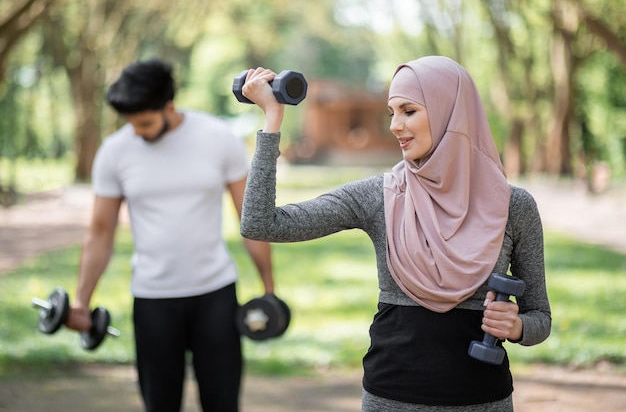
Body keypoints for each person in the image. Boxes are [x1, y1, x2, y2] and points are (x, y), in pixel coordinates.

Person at [239, 56, 551, 411]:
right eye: (391, 113)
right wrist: (271, 122)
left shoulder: (513, 206)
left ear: (450, 111)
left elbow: (540, 318)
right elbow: (260, 224)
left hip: (483, 400)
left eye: (408, 111)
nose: (395, 125)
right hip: (391, 398)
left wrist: (517, 327)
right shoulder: (379, 196)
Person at [65, 58, 274, 412]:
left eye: (145, 122)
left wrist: (269, 289)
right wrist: (82, 301)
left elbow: (250, 220)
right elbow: (100, 233)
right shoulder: (114, 152)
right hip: (153, 299)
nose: (137, 131)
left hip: (216, 295)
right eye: (130, 123)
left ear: (169, 105)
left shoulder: (218, 137)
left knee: (222, 404)